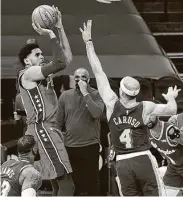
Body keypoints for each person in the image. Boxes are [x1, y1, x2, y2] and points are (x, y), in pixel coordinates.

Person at [79, 20, 181, 196]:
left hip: (123, 162)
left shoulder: (111, 103)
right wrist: (171, 98)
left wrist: (88, 42)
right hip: (143, 159)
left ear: (120, 90)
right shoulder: (146, 107)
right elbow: (172, 110)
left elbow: (97, 70)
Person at [17, 6, 74, 196]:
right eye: (37, 55)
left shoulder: (39, 73)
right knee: (66, 183)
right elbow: (59, 63)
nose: (42, 57)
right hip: (42, 129)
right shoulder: (28, 74)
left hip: (49, 129)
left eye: (42, 54)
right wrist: (50, 34)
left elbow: (66, 60)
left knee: (58, 183)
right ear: (26, 61)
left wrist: (59, 27)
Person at [56, 68, 104, 195]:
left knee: (92, 182)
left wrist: (85, 93)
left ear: (88, 80)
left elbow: (97, 113)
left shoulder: (95, 94)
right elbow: (58, 123)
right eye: (77, 77)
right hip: (70, 146)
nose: (80, 79)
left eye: (83, 77)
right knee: (74, 184)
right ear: (73, 79)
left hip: (90, 145)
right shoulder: (65, 96)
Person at [148, 113, 183, 196]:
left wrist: (179, 137)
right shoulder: (146, 133)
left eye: (150, 115)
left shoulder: (170, 130)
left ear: (158, 115)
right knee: (166, 193)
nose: (148, 118)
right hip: (173, 167)